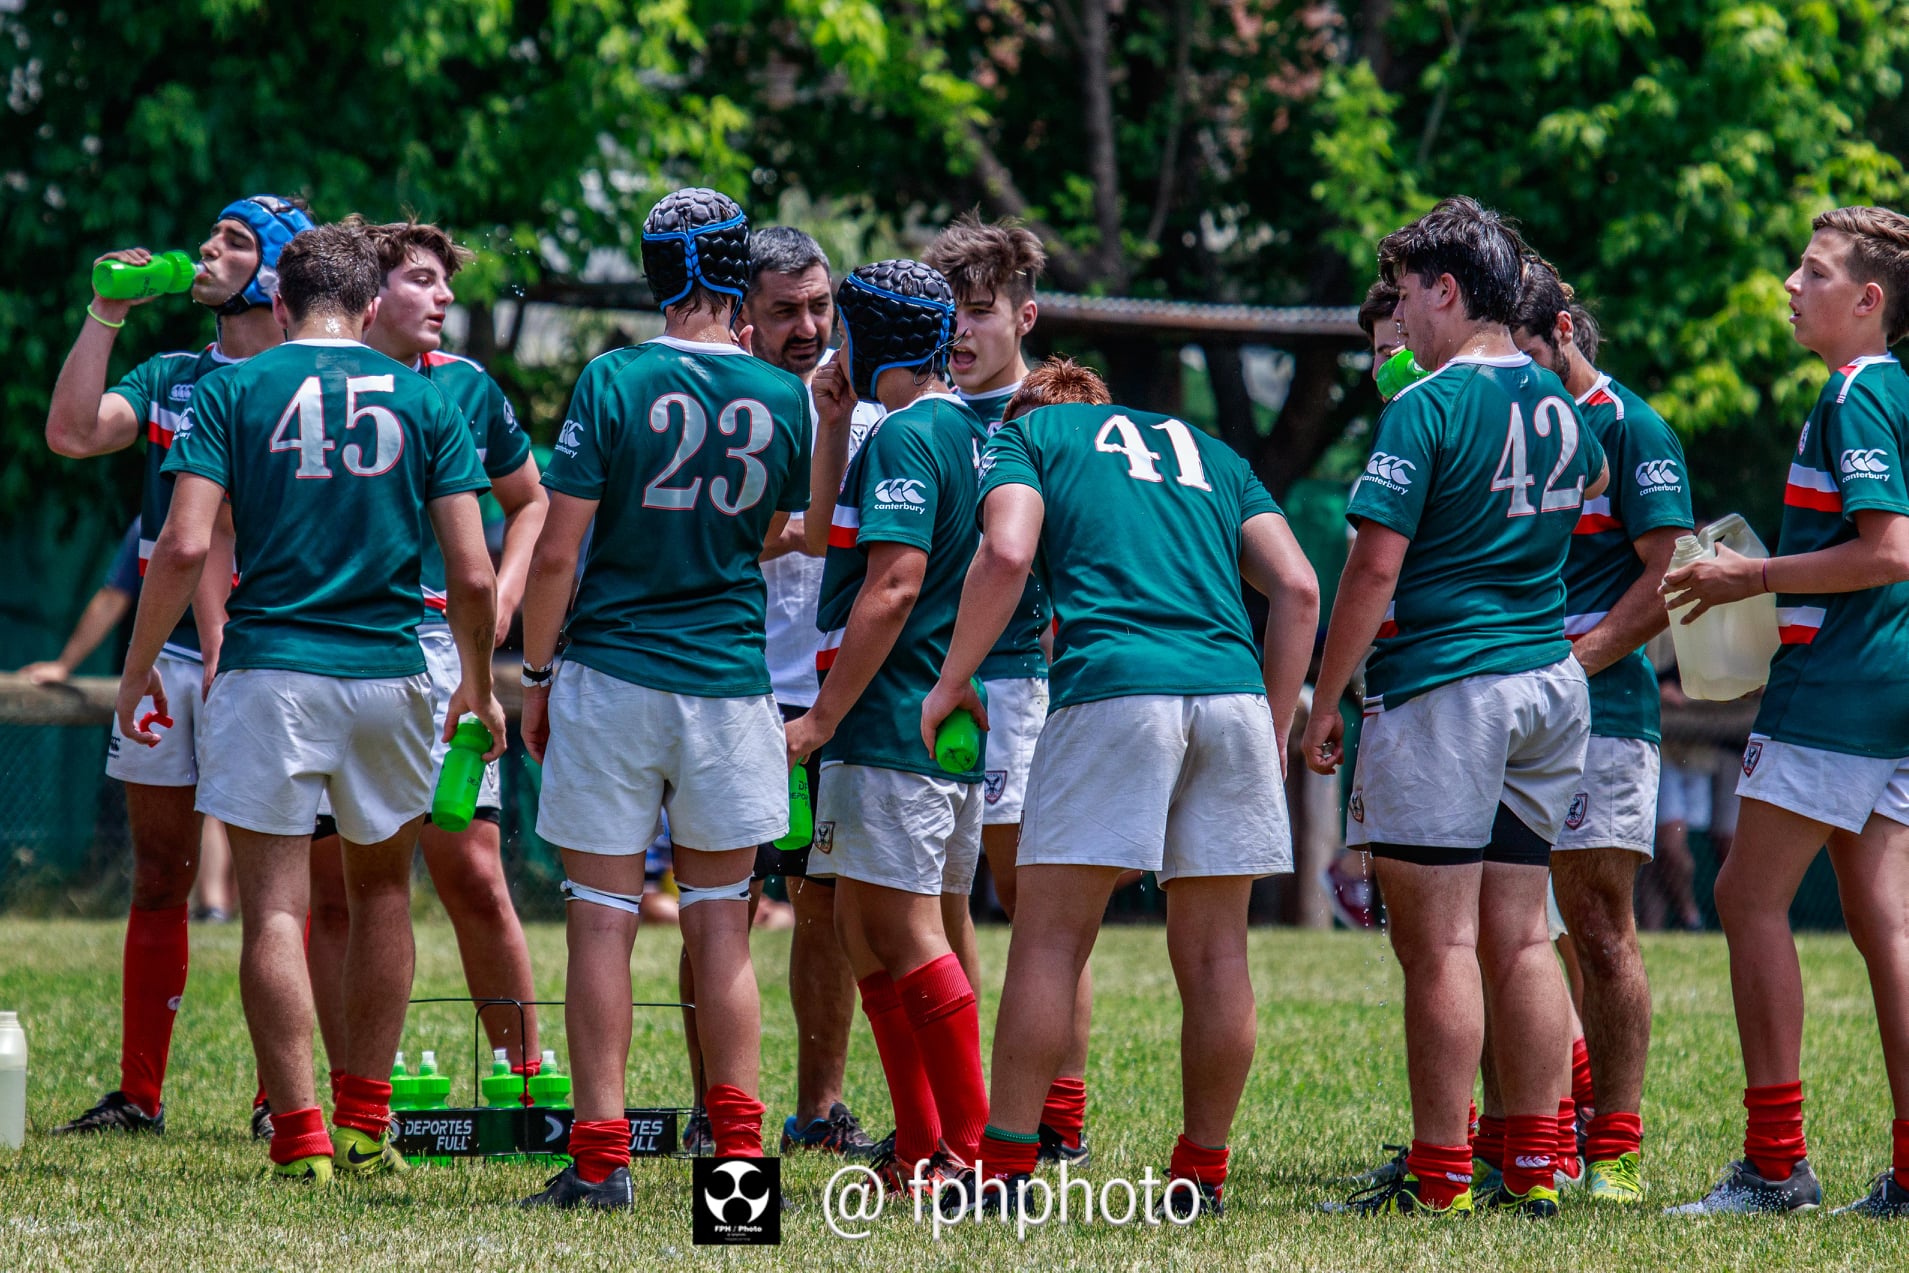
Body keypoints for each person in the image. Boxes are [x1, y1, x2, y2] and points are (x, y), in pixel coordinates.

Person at [114, 220, 503, 1184]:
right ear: (372, 307)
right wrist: (480, 687)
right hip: (389, 674)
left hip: (270, 672)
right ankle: (367, 1123)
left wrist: (135, 673)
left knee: (276, 910)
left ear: (280, 304)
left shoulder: (232, 387)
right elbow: (474, 574)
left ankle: (300, 1139)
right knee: (381, 895)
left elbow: (187, 546)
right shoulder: (426, 396)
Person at [926, 357, 1317, 1221]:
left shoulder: (1025, 433)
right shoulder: (1211, 450)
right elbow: (1296, 586)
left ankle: (1004, 1171)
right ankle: (1200, 1176)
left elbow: (1008, 548)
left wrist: (952, 679)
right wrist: (1274, 722)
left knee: (1048, 942)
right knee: (1217, 956)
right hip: (1232, 696)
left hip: (1115, 689)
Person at [1304, 197, 1609, 1218]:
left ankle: (1439, 1175)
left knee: (1435, 944)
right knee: (1521, 938)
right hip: (1548, 686)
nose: (1401, 322)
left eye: (1404, 297)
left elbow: (1371, 566)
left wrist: (1326, 695)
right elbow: (1597, 473)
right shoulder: (1564, 405)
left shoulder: (1424, 407)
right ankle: (1533, 1165)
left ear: (1445, 289)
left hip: (1449, 687)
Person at [518, 188, 812, 1209]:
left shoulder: (613, 377)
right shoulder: (788, 398)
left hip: (610, 675)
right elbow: (782, 530)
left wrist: (537, 671)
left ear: (656, 272)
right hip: (731, 685)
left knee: (601, 920)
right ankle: (737, 1176)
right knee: (721, 928)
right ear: (736, 272)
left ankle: (600, 1162)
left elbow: (558, 548)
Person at [43, 194, 315, 1136]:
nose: (206, 248)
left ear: (278, 275)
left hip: (277, 655)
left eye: (235, 242)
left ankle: (274, 1098)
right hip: (172, 657)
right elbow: (73, 433)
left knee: (278, 885)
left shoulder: (310, 383)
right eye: (212, 234)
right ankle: (139, 1095)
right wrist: (106, 314)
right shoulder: (169, 376)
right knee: (161, 871)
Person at [1663, 205, 1909, 1217]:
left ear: (1867, 300)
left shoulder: (1853, 393)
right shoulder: (1895, 388)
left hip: (1840, 688)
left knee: (1745, 896)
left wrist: (1746, 576)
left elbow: (1888, 549)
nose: (1787, 286)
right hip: (1894, 684)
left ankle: (1774, 1167)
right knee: (1885, 920)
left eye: (1810, 273)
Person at [303, 218, 548, 1107]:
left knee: (472, 870)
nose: (442, 296)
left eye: (445, 281)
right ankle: (350, 1089)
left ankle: (529, 1080)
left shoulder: (466, 389)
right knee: (334, 887)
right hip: (328, 642)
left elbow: (531, 504)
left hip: (442, 652)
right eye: (420, 279)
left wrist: (502, 599)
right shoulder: (312, 385)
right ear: (369, 295)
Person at [781, 259, 991, 1196]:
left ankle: (974, 1152)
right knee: (868, 932)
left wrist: (820, 719)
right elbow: (822, 529)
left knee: (903, 932)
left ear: (873, 340)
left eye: (844, 332)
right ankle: (917, 1146)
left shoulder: (911, 434)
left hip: (892, 721)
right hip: (909, 725)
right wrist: (831, 426)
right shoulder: (941, 428)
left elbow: (894, 583)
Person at [1510, 260, 1694, 1202]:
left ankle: (1613, 1148)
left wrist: (1576, 665)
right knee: (1509, 927)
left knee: (1597, 923)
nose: (1517, 370)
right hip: (1503, 707)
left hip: (1602, 709)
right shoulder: (1504, 418)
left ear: (1565, 330)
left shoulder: (1631, 426)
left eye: (1528, 350)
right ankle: (1535, 1129)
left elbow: (1670, 572)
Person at [731, 224, 878, 1159]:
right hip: (732, 692)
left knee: (824, 908)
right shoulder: (729, 408)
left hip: (829, 700)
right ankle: (721, 1107)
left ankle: (818, 1112)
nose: (807, 326)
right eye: (783, 309)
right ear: (741, 316)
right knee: (721, 903)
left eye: (819, 306)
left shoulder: (864, 419)